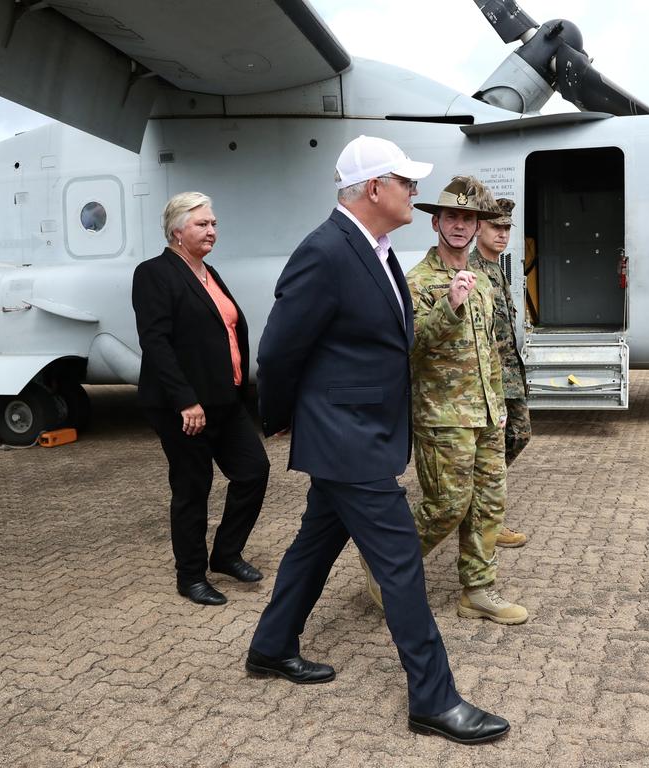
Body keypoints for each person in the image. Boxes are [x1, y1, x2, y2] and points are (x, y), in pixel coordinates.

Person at [246, 136, 509, 745]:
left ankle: (271, 646)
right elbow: (280, 348)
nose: (415, 192)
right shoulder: (326, 251)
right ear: (373, 189)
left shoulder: (379, 248)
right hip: (345, 437)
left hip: (363, 432)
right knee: (400, 565)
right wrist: (280, 416)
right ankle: (434, 699)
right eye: (406, 183)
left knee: (314, 546)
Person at [132, 191, 270, 606]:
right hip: (186, 407)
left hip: (224, 401)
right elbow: (155, 342)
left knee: (253, 471)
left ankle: (226, 553)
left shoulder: (208, 273)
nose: (212, 230)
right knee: (193, 487)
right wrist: (185, 400)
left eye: (213, 224)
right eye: (202, 224)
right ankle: (189, 575)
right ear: (177, 231)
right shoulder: (154, 273)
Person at [406, 176, 529, 626]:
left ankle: (477, 591)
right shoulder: (418, 281)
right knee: (447, 505)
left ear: (478, 226)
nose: (460, 225)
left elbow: (492, 352)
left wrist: (498, 407)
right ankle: (387, 564)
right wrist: (449, 306)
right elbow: (407, 345)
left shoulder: (483, 280)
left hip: (484, 413)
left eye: (468, 218)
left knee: (488, 504)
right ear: (436, 222)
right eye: (452, 217)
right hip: (442, 417)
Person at [469, 193, 530, 548]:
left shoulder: (498, 268)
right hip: (492, 381)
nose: (503, 234)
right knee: (495, 450)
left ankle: (481, 509)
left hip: (509, 376)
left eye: (507, 228)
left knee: (518, 436)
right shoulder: (474, 271)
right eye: (496, 227)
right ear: (479, 229)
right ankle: (485, 518)